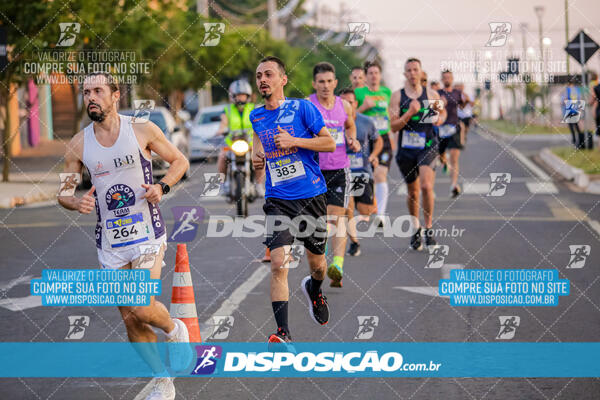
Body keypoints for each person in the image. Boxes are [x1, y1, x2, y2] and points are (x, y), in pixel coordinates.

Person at [58, 72, 191, 400]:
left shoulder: (142, 129)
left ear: (115, 95)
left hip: (147, 232)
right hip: (110, 242)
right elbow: (63, 192)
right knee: (130, 317)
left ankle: (175, 330)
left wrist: (162, 187)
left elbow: (180, 161)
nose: (90, 97)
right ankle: (162, 380)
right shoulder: (78, 143)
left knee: (141, 307)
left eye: (97, 91)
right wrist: (77, 201)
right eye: (86, 91)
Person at [250, 56, 335, 344]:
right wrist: (256, 154)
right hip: (278, 199)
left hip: (311, 195)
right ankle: (283, 333)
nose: (263, 79)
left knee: (318, 265)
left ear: (282, 80)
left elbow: (329, 142)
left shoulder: (303, 108)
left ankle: (314, 288)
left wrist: (296, 141)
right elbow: (258, 136)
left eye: (269, 74)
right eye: (259, 75)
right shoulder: (256, 115)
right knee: (278, 264)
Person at [308, 62, 359, 287]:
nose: (326, 86)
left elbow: (350, 126)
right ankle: (321, 260)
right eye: (321, 82)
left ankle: (337, 265)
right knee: (320, 222)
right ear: (314, 84)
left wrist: (352, 139)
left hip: (339, 169)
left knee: (337, 218)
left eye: (329, 81)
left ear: (335, 83)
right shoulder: (307, 106)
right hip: (314, 171)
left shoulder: (344, 105)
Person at [390, 58, 446, 250]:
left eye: (416, 69)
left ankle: (429, 228)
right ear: (405, 74)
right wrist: (408, 114)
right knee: (413, 191)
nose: (413, 73)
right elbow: (393, 126)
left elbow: (442, 114)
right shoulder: (397, 96)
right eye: (409, 70)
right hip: (406, 149)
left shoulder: (431, 94)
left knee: (426, 185)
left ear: (421, 72)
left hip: (427, 145)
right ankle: (416, 228)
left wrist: (439, 118)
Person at [339, 88, 383, 257]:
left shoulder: (366, 121)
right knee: (347, 207)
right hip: (343, 172)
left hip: (363, 172)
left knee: (365, 211)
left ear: (355, 104)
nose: (346, 105)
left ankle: (367, 207)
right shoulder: (335, 123)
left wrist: (373, 155)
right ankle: (354, 242)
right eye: (343, 102)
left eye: (350, 102)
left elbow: (378, 140)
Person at [354, 60, 393, 227]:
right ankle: (364, 208)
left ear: (380, 75)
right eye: (370, 73)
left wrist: (393, 136)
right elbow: (350, 115)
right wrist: (363, 107)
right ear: (366, 77)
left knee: (380, 175)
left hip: (383, 139)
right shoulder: (358, 93)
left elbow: (389, 115)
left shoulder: (387, 92)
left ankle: (381, 215)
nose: (374, 76)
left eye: (376, 72)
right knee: (367, 176)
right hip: (365, 141)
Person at [216, 79, 259, 195]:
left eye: (243, 95)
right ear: (232, 96)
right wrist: (220, 130)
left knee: (260, 156)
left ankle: (259, 185)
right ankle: (222, 185)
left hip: (250, 142)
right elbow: (223, 123)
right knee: (222, 156)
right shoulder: (228, 109)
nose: (240, 98)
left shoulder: (254, 108)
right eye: (237, 95)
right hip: (231, 143)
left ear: (248, 96)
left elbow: (260, 122)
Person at [438, 70, 465, 198]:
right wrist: (440, 103)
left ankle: (453, 185)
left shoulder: (457, 93)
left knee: (455, 157)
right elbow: (432, 110)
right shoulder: (437, 93)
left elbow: (463, 107)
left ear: (452, 78)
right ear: (442, 80)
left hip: (454, 127)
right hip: (441, 128)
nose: (447, 79)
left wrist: (467, 101)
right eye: (444, 77)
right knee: (441, 156)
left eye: (449, 77)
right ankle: (444, 161)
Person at [561, 81, 584, 147]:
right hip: (576, 109)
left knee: (571, 126)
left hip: (570, 109)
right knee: (576, 125)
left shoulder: (567, 90)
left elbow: (564, 99)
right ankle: (580, 140)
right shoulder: (577, 89)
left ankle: (574, 140)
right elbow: (579, 99)